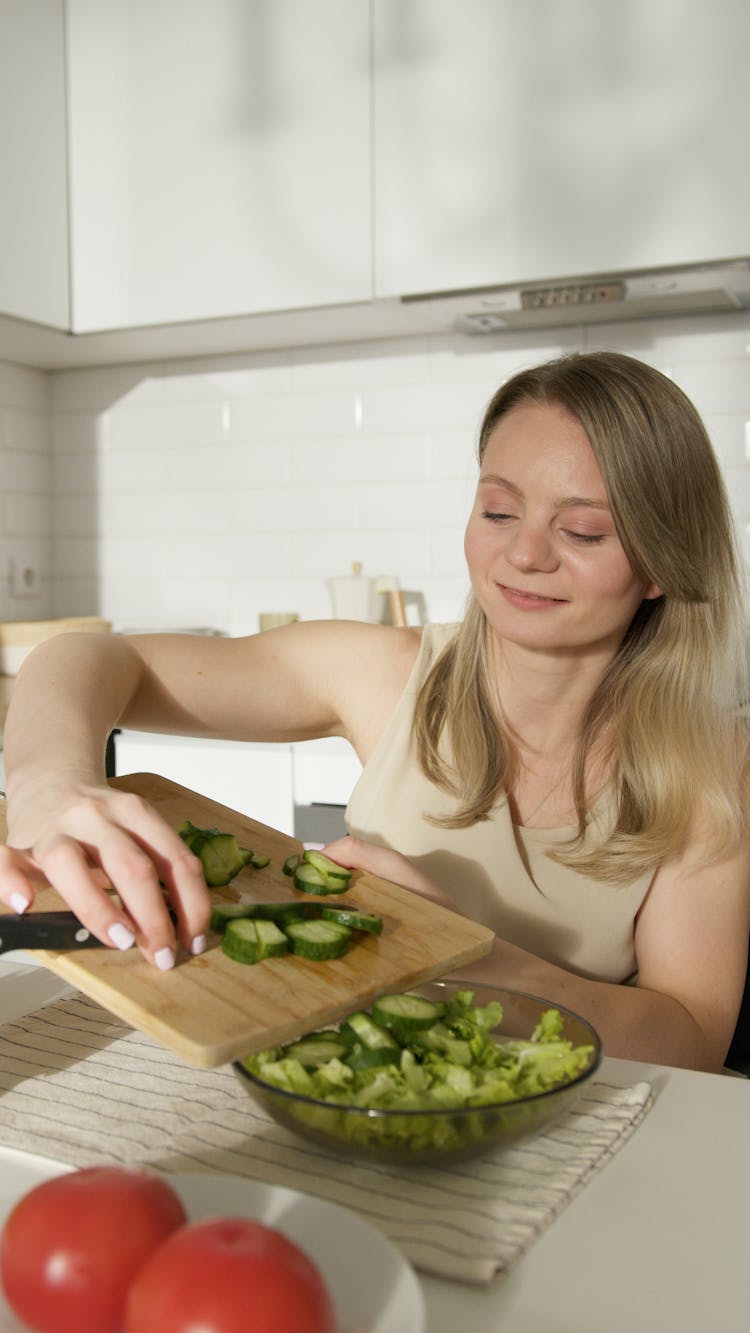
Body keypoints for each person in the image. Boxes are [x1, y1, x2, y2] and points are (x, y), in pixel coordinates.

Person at [1, 351, 748, 1073]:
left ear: (660, 562)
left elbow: (689, 1040)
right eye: (498, 510)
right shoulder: (387, 673)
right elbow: (90, 659)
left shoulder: (711, 767)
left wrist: (460, 949)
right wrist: (49, 783)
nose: (524, 554)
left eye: (581, 530)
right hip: (350, 1090)